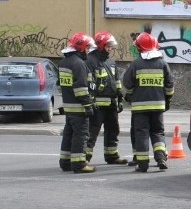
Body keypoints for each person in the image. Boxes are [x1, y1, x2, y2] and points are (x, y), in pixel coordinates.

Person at [122, 32, 175, 172]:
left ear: (139, 48)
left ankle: (143, 164)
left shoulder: (136, 64)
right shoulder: (163, 63)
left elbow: (127, 83)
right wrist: (167, 100)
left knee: (142, 134)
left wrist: (129, 95)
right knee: (158, 132)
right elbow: (170, 85)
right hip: (158, 106)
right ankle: (161, 158)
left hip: (140, 108)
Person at [85, 31, 127, 165]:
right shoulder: (90, 60)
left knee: (113, 130)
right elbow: (88, 82)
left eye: (111, 46)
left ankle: (112, 156)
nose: (110, 49)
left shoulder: (110, 61)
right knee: (92, 131)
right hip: (97, 104)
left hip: (111, 104)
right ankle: (85, 158)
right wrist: (90, 102)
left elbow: (116, 80)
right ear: (101, 45)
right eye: (108, 46)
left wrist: (120, 96)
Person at [58, 33, 97, 174]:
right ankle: (79, 164)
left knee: (69, 134)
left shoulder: (64, 62)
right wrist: (88, 105)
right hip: (79, 107)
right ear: (81, 48)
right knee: (81, 135)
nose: (88, 51)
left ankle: (65, 161)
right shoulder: (79, 64)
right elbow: (81, 88)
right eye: (87, 48)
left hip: (68, 106)